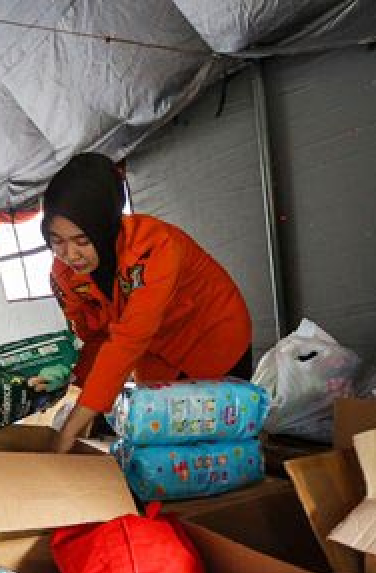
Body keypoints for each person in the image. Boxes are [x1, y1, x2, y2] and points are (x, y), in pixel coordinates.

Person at [41, 153, 253, 452]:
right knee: (164, 443)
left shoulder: (154, 247)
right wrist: (73, 380)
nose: (70, 255)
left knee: (216, 443)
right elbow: (95, 337)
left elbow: (129, 337)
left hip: (212, 339)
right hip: (155, 354)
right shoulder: (65, 274)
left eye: (82, 240)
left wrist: (71, 428)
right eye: (57, 241)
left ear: (105, 227)